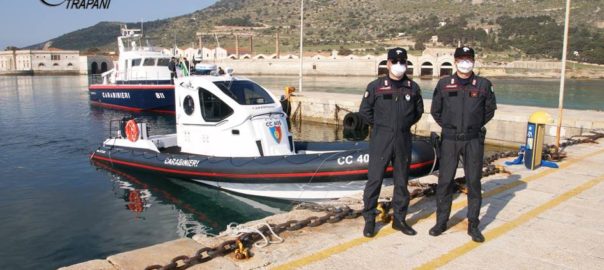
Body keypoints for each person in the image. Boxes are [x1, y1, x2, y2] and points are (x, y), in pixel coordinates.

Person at [429, 46, 497, 243]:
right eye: (462, 59)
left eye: (469, 59)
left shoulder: (483, 84)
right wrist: (450, 127)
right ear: (455, 61)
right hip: (450, 140)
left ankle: (473, 225)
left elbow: (489, 110)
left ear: (474, 61)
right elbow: (436, 110)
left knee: (474, 182)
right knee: (445, 182)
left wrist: (473, 125)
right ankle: (441, 221)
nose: (465, 62)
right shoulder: (444, 84)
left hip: (473, 139)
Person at [359, 47, 424, 238]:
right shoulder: (375, 86)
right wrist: (381, 126)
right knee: (375, 179)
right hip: (381, 138)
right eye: (395, 62)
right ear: (388, 63)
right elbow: (365, 111)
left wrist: (402, 125)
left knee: (402, 181)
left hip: (403, 138)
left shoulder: (412, 87)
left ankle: (400, 220)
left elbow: (418, 112)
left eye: (402, 62)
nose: (399, 65)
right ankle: (370, 220)